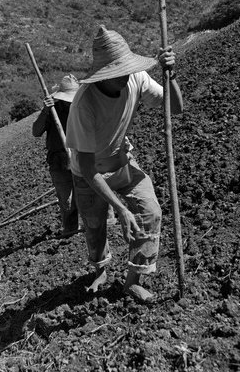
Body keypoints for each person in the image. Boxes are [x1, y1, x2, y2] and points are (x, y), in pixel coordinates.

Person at [66, 25, 183, 302]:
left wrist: (171, 76)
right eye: (118, 72)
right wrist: (119, 209)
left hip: (121, 160)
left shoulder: (135, 78)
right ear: (103, 76)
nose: (126, 75)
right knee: (94, 226)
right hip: (87, 172)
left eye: (127, 69)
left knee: (150, 211)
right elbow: (87, 167)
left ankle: (132, 280)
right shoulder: (83, 105)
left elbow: (175, 106)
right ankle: (100, 270)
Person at [32, 74, 81, 238]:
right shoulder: (51, 110)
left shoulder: (82, 107)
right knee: (67, 202)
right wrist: (45, 111)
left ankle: (100, 225)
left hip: (82, 158)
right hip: (59, 162)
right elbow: (36, 132)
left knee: (91, 195)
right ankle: (70, 232)